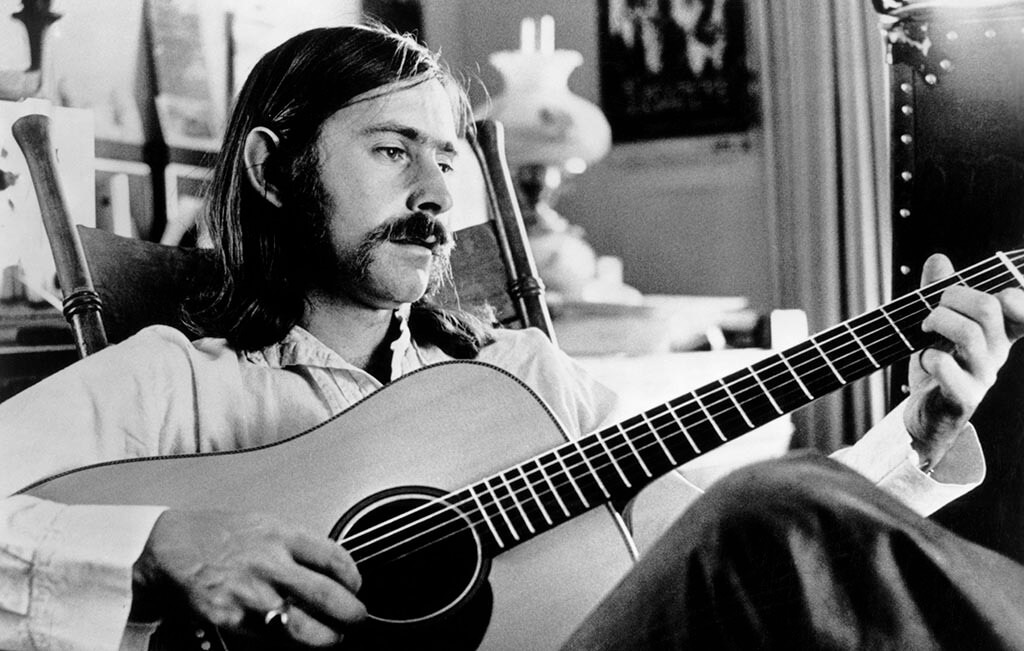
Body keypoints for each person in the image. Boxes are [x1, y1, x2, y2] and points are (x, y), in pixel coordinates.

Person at [1, 22, 1023, 651]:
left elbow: (743, 552)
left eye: (449, 159)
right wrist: (156, 542)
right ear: (273, 169)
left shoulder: (521, 379)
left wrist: (921, 433)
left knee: (778, 506)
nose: (438, 193)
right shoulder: (174, 382)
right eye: (394, 150)